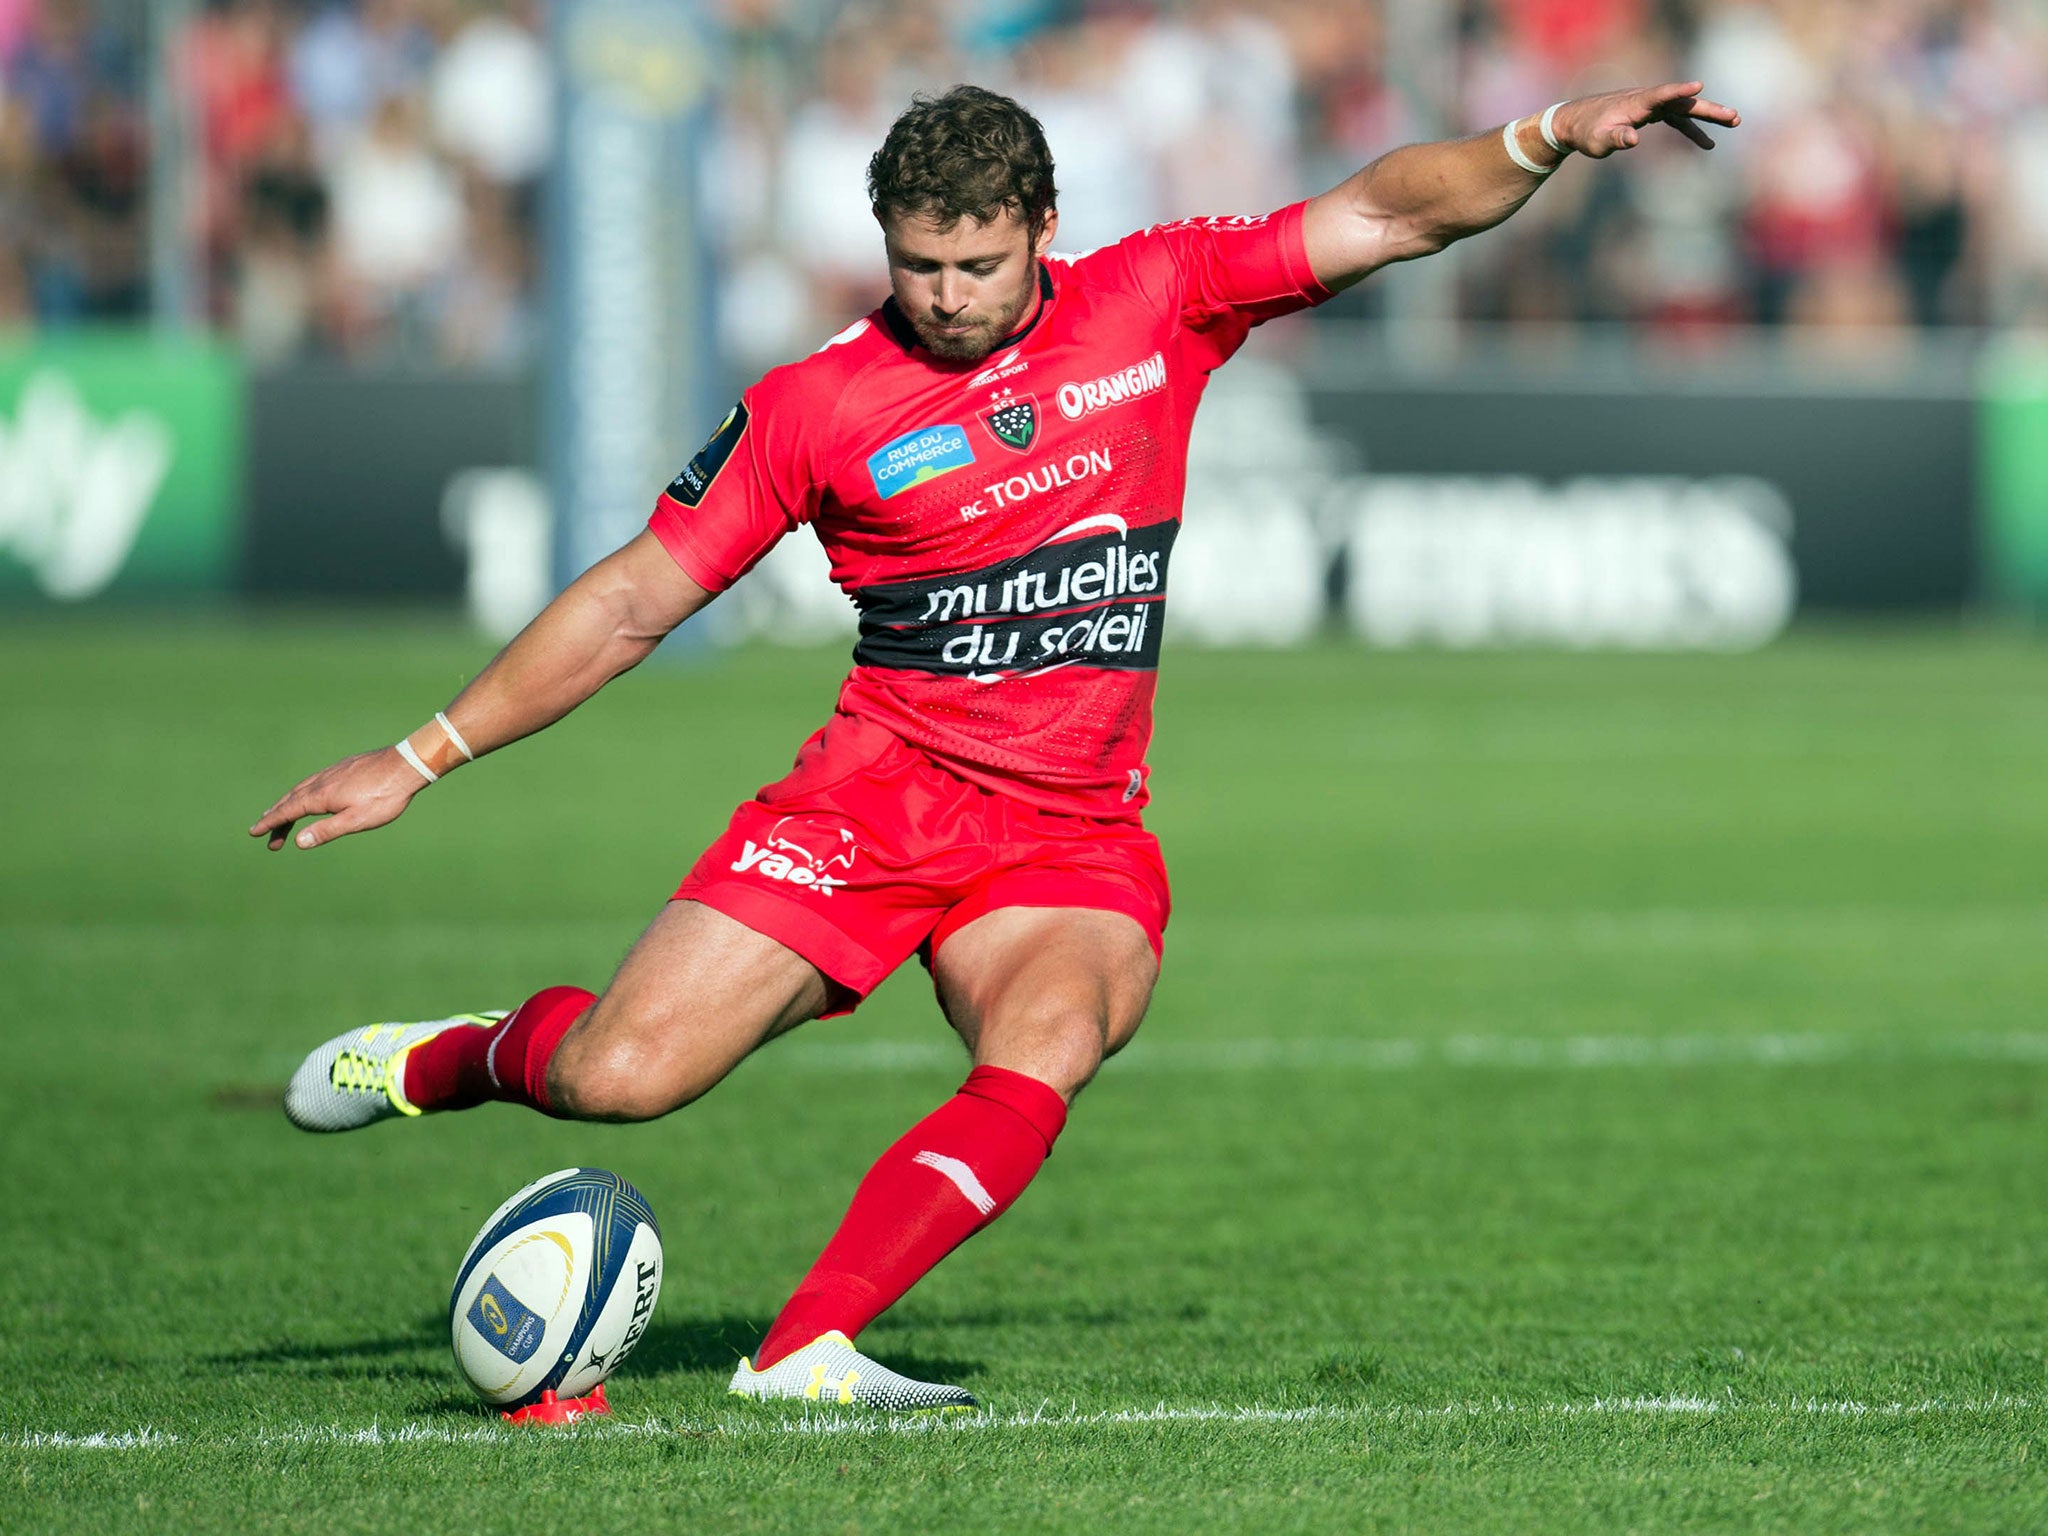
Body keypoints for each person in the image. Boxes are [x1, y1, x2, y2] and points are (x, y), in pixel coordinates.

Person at [251, 81, 1738, 1411]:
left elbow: (1384, 210)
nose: (948, 295)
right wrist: (419, 754)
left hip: (1072, 826)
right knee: (622, 1077)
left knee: (1057, 1032)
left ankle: (804, 1351)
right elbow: (637, 597)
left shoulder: (1155, 297)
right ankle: (447, 1059)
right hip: (875, 798)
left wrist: (1545, 137)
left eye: (976, 262)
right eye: (917, 264)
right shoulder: (816, 405)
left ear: (1042, 228)